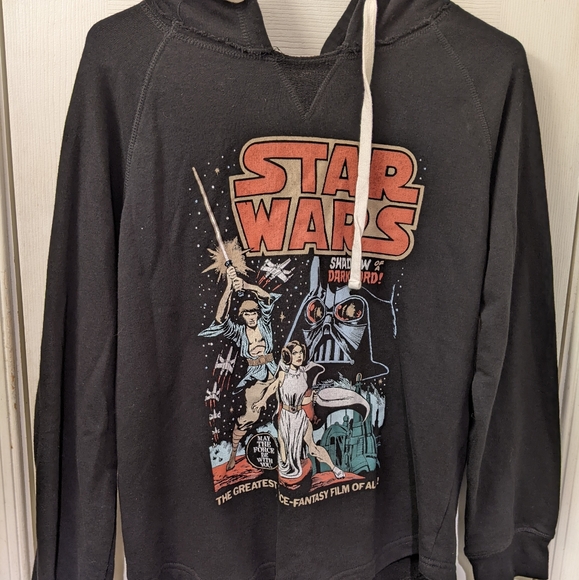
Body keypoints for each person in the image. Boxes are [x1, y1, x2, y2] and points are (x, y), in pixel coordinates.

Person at [200, 266, 279, 470]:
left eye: (254, 312)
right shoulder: (239, 332)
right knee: (248, 418)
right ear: (242, 315)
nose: (252, 316)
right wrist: (229, 287)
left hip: (275, 372)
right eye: (247, 313)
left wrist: (246, 285)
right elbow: (220, 318)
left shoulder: (264, 323)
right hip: (255, 378)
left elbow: (266, 297)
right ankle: (234, 453)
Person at [253, 341, 345, 480]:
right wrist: (262, 400)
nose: (299, 356)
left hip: (300, 416)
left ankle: (334, 468)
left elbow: (305, 397)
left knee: (312, 447)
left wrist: (312, 398)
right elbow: (274, 386)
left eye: (300, 352)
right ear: (288, 356)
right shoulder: (283, 372)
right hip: (286, 417)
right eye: (295, 353)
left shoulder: (304, 373)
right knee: (284, 453)